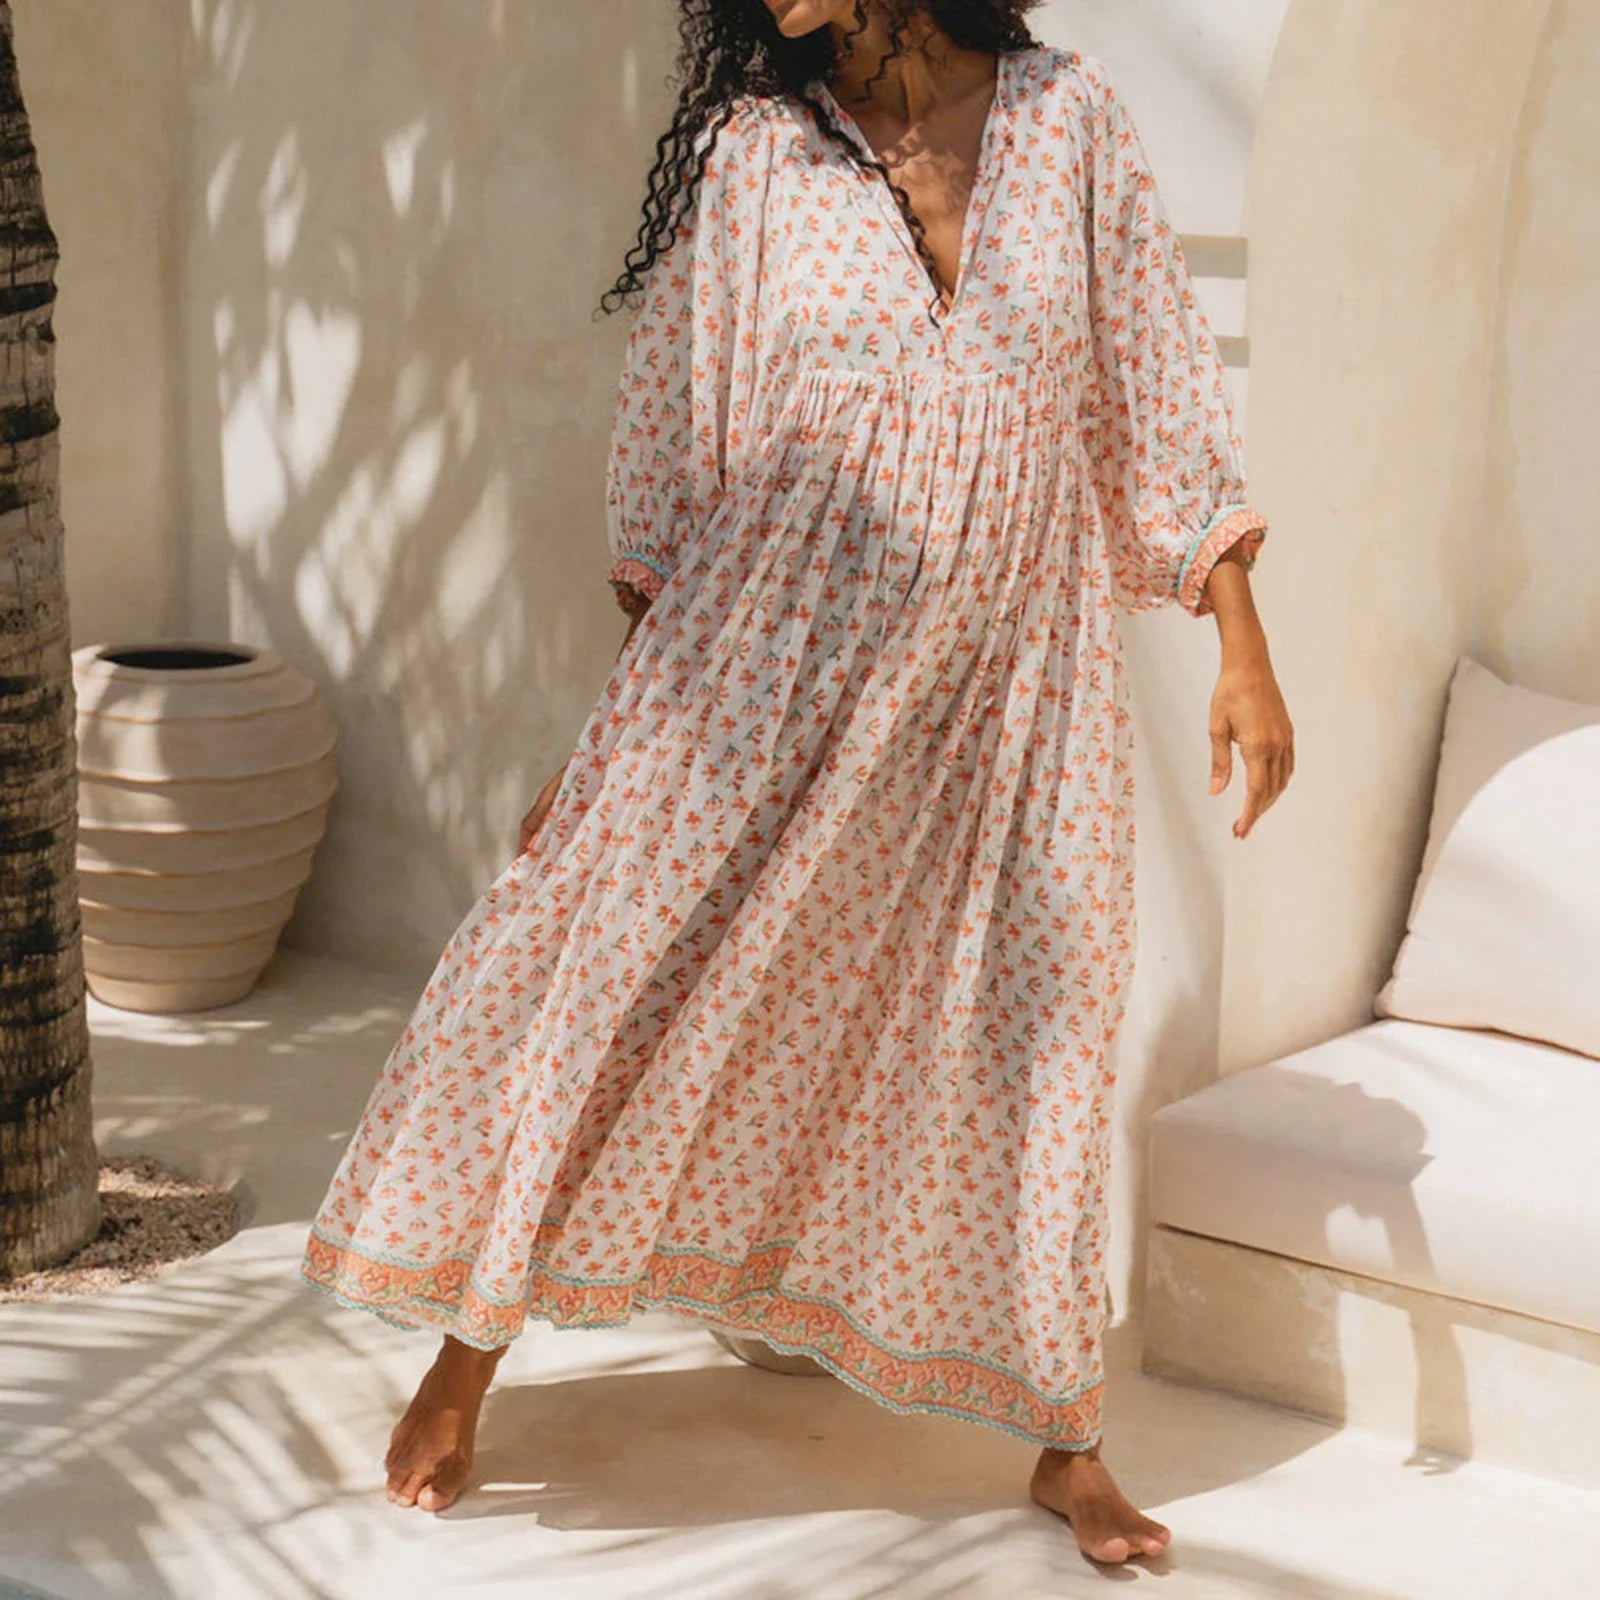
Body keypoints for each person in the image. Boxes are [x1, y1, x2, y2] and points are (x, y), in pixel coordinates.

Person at [300, 0, 1293, 1566]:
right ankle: (464, 1356)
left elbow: (1158, 382)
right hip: (765, 661)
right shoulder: (757, 154)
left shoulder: (1071, 119)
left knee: (1038, 1030)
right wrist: (630, 742)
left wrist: (1241, 644)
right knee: (627, 979)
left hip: (1010, 694)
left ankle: (1070, 1442)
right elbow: (677, 448)